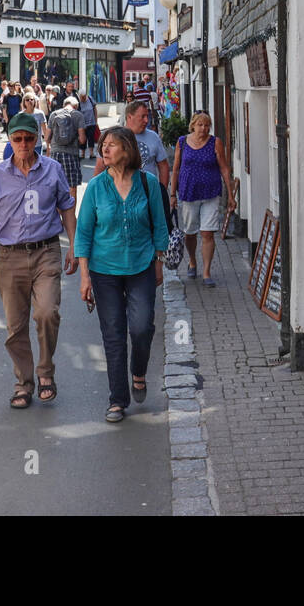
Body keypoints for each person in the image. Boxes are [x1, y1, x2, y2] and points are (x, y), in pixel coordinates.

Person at [0, 113, 78, 409]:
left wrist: (74, 246)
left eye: (29, 139)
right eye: (18, 139)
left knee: (46, 312)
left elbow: (67, 208)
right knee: (15, 325)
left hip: (46, 251)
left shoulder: (53, 169)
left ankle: (45, 371)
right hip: (10, 257)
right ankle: (23, 383)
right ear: (10, 140)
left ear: (38, 139)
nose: (23, 144)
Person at [76, 126, 168, 423]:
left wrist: (158, 260)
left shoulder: (148, 183)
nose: (105, 149)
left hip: (141, 265)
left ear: (127, 150)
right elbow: (84, 232)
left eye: (112, 145)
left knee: (142, 327)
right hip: (104, 271)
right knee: (113, 335)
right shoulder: (96, 187)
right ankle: (117, 400)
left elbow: (160, 225)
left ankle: (138, 372)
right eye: (104, 144)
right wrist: (84, 275)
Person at [169, 112, 233, 287]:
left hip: (210, 193)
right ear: (193, 125)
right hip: (189, 193)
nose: (204, 129)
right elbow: (175, 169)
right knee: (190, 232)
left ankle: (206, 272)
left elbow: (224, 169)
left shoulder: (215, 142)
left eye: (207, 125)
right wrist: (172, 194)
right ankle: (192, 261)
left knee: (207, 232)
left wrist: (231, 195)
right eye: (200, 125)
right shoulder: (182, 142)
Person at [44, 94, 86, 198]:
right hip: (71, 155)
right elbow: (82, 139)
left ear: (64, 105)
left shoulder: (54, 114)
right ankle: (71, 213)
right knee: (72, 187)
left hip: (55, 154)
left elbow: (46, 138)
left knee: (56, 186)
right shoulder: (78, 115)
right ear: (75, 106)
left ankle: (57, 213)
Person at [76, 87, 98, 160]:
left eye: (84, 96)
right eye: (81, 97)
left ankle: (91, 153)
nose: (83, 98)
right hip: (82, 125)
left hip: (91, 123)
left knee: (91, 138)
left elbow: (95, 109)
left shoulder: (90, 99)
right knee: (83, 139)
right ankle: (82, 153)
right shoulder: (77, 103)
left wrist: (96, 120)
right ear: (79, 96)